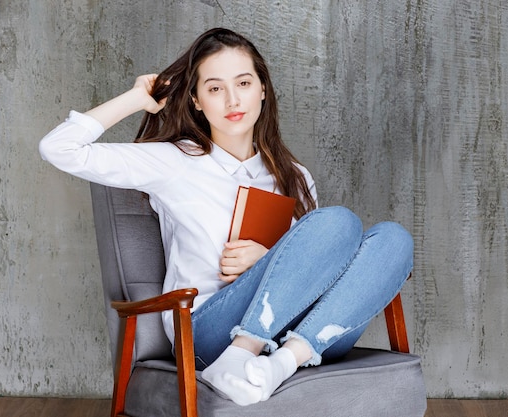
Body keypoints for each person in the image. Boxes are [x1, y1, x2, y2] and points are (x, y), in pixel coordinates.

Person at [39, 27, 413, 406]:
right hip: (210, 332)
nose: (233, 99)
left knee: (393, 238)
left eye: (244, 83)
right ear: (197, 100)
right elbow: (59, 148)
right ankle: (239, 356)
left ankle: (277, 368)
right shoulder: (173, 161)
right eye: (215, 88)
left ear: (263, 90)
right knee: (340, 222)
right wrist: (138, 99)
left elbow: (318, 269)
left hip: (299, 338)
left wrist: (267, 258)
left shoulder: (294, 176)